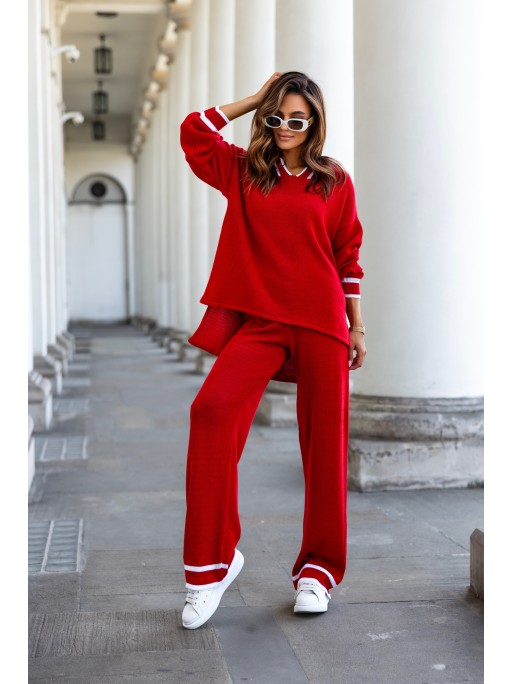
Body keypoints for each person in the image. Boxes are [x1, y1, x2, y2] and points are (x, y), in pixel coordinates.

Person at [179, 71, 366, 630]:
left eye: (297, 120)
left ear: (315, 124)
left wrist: (357, 327)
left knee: (325, 447)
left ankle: (318, 572)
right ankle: (211, 566)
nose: (285, 127)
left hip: (323, 324)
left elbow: (347, 255)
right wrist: (255, 99)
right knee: (210, 412)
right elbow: (194, 132)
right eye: (276, 117)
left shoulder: (333, 181)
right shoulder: (244, 171)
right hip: (260, 323)